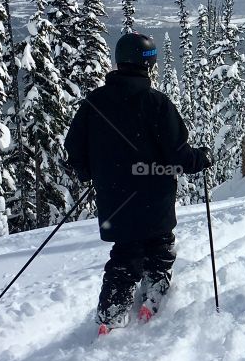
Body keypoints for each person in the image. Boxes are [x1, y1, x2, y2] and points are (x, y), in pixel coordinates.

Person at [64, 31, 213, 334]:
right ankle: (154, 288)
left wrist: (91, 174)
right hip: (154, 191)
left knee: (125, 250)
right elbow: (177, 153)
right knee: (159, 242)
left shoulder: (94, 103)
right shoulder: (156, 103)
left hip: (114, 196)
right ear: (147, 64)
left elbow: (74, 149)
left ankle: (112, 312)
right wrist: (200, 159)